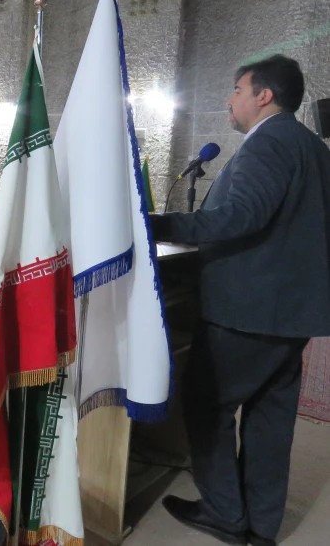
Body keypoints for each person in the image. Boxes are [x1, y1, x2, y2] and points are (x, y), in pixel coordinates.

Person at [148, 55, 330, 546]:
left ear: (263, 96)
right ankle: (262, 525)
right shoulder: (313, 147)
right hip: (292, 314)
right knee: (271, 420)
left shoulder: (266, 144)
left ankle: (225, 514)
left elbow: (237, 217)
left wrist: (156, 224)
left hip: (247, 310)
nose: (230, 99)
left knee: (207, 406)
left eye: (236, 88)